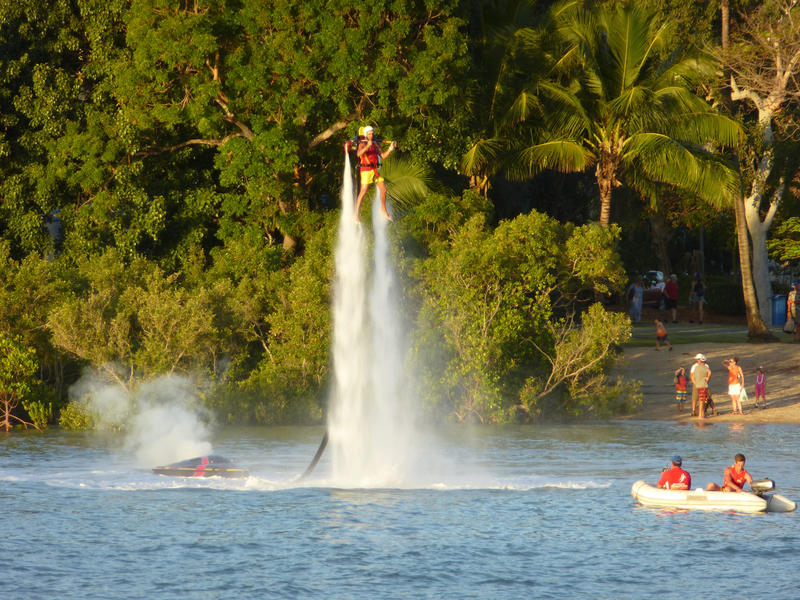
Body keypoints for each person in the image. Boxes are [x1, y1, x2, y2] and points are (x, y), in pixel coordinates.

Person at [353, 126, 397, 222]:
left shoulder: (376, 144)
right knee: (363, 191)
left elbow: (383, 156)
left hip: (375, 170)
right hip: (366, 170)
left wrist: (390, 148)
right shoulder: (362, 143)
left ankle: (383, 209)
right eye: (369, 133)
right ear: (366, 134)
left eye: (372, 133)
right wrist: (368, 146)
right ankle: (356, 214)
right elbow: (358, 154)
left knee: (384, 190)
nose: (371, 135)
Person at [690, 353, 711, 419]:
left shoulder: (696, 367)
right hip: (703, 385)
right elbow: (709, 372)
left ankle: (701, 414)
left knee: (701, 399)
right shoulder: (705, 367)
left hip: (698, 385)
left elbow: (692, 376)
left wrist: (695, 382)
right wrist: (707, 378)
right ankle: (700, 415)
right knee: (701, 400)